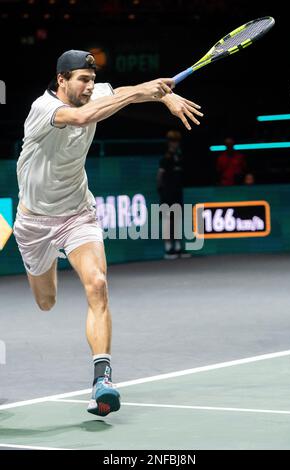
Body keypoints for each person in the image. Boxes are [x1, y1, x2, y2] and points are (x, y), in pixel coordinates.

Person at [13, 50, 203, 417]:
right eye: (81, 80)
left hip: (78, 215)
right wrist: (139, 93)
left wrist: (167, 95)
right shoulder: (43, 108)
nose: (88, 87)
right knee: (46, 302)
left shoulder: (97, 92)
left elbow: (132, 89)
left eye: (91, 79)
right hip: (34, 223)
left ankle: (103, 379)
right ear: (61, 80)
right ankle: (45, 277)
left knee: (98, 283)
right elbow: (83, 118)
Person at [157, 130, 185, 258]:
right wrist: (162, 190)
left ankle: (178, 247)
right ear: (169, 143)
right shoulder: (165, 158)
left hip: (177, 192)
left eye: (176, 141)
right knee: (168, 220)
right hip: (167, 193)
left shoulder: (179, 157)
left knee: (178, 219)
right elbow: (160, 176)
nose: (175, 144)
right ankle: (168, 249)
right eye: (172, 141)